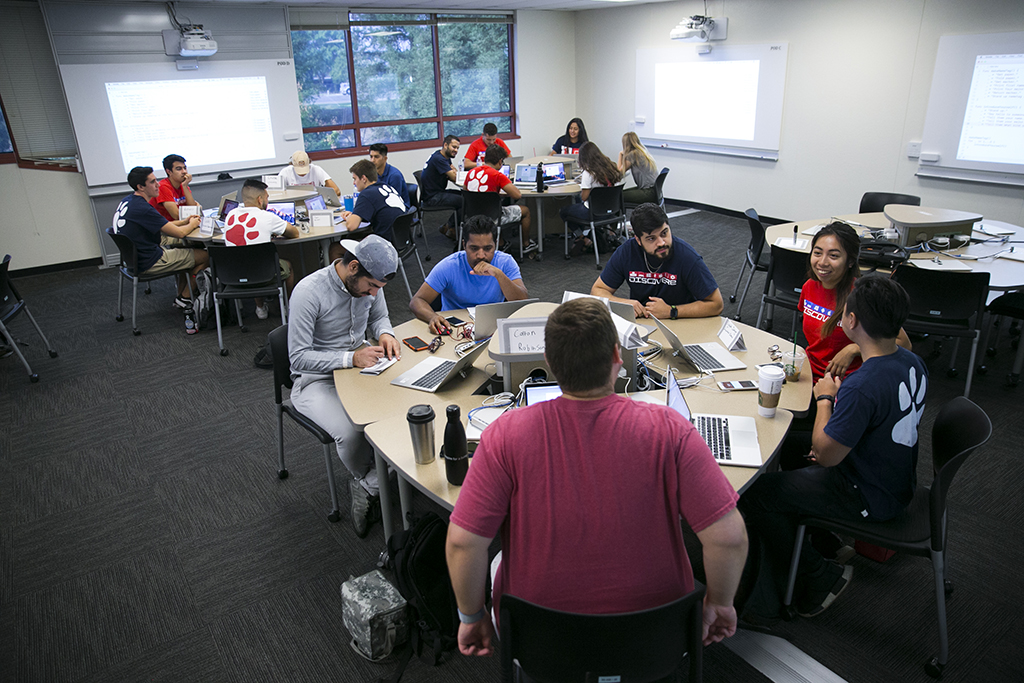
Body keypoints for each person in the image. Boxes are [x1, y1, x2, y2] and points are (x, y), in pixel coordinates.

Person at [445, 298, 749, 657]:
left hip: (541, 642)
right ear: (617, 358)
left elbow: (463, 544)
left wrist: (471, 615)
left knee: (497, 562)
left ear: (549, 362)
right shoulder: (670, 430)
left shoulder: (505, 435)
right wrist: (720, 603)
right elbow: (728, 539)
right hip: (657, 637)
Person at [739, 276, 927, 619]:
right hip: (894, 477)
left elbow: (825, 455)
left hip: (865, 493)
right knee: (791, 447)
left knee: (754, 495)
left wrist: (825, 397)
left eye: (844, 313)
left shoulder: (862, 385)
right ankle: (825, 541)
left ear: (852, 322)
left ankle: (820, 575)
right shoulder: (911, 362)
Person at [287, 235, 401, 538]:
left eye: (379, 289)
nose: (374, 294)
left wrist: (385, 333)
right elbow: (297, 358)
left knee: (407, 413)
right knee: (352, 433)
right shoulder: (308, 292)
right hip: (314, 381)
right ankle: (375, 480)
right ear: (353, 267)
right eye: (372, 287)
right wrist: (350, 358)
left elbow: (380, 318)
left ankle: (368, 486)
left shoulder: (371, 284)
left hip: (360, 365)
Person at [801, 222, 912, 382]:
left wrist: (854, 349)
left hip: (847, 380)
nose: (822, 262)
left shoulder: (863, 295)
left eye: (833, 256)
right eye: (817, 253)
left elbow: (904, 344)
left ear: (850, 261)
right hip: (810, 373)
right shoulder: (809, 287)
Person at [591, 202, 723, 319]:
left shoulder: (687, 257)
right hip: (644, 322)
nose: (661, 243)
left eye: (664, 233)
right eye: (651, 238)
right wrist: (623, 303)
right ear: (638, 240)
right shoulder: (627, 252)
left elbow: (716, 304)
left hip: (681, 321)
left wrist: (672, 311)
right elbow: (597, 290)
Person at [409, 215, 528, 334]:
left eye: (487, 248)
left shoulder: (505, 262)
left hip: (492, 328)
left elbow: (522, 300)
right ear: (464, 245)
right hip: (455, 329)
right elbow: (417, 301)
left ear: (496, 245)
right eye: (474, 248)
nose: (481, 255)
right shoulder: (449, 265)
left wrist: (499, 274)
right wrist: (432, 317)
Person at [113, 166, 208, 307]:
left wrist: (183, 222)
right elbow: (180, 233)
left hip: (136, 258)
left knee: (188, 248)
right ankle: (185, 297)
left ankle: (181, 293)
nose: (158, 184)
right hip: (150, 261)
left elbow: (164, 225)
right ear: (141, 187)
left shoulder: (129, 201)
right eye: (152, 182)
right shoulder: (143, 209)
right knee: (206, 256)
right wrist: (193, 223)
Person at [223, 178, 299, 319]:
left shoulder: (230, 216)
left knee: (248, 258)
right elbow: (294, 233)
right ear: (259, 199)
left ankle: (260, 308)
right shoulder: (268, 217)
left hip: (233, 274)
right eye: (266, 198)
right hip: (263, 274)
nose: (267, 201)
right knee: (287, 265)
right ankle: (288, 307)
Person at [326, 160, 407, 262]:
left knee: (335, 248)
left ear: (364, 178)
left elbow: (351, 226)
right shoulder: (386, 186)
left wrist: (351, 218)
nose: (354, 183)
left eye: (355, 179)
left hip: (384, 247)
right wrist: (355, 214)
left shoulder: (367, 194)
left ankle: (343, 277)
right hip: (400, 240)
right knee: (352, 237)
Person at [464, 144, 535, 254]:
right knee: (525, 210)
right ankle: (526, 244)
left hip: (472, 215)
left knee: (496, 207)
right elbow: (517, 195)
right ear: (500, 161)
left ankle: (501, 243)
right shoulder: (497, 175)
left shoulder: (471, 172)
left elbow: (466, 191)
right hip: (492, 218)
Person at [559, 141, 625, 255]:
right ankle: (603, 234)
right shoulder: (611, 167)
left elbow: (584, 198)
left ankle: (582, 238)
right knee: (578, 205)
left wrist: (582, 188)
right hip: (612, 212)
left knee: (564, 211)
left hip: (594, 213)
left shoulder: (588, 172)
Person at [420, 135, 463, 239]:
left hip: (436, 192)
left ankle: (448, 227)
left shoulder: (442, 156)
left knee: (465, 194)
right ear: (445, 145)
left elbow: (454, 174)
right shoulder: (439, 159)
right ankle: (450, 227)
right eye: (454, 147)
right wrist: (454, 173)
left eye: (457, 148)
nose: (456, 150)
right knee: (464, 200)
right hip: (432, 197)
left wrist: (454, 173)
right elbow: (454, 178)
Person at [151, 154, 198, 221]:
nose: (184, 172)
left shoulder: (183, 185)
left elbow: (193, 208)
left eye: (184, 168)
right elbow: (176, 215)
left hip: (182, 223)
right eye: (179, 169)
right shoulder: (163, 187)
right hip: (167, 227)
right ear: (169, 172)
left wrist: (185, 186)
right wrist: (194, 211)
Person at [618, 132, 659, 205]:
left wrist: (620, 155)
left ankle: (619, 216)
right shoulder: (642, 151)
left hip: (648, 192)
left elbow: (619, 172)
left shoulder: (633, 154)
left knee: (617, 196)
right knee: (619, 193)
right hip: (654, 190)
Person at [277, 151, 342, 196]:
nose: (302, 174)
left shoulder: (316, 169)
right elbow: (277, 194)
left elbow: (337, 191)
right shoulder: (285, 172)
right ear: (292, 165)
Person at [368, 143, 410, 207]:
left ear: (385, 158)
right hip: (383, 206)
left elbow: (394, 200)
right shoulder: (373, 174)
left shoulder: (394, 176)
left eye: (376, 157)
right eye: (371, 157)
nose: (372, 160)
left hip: (399, 209)